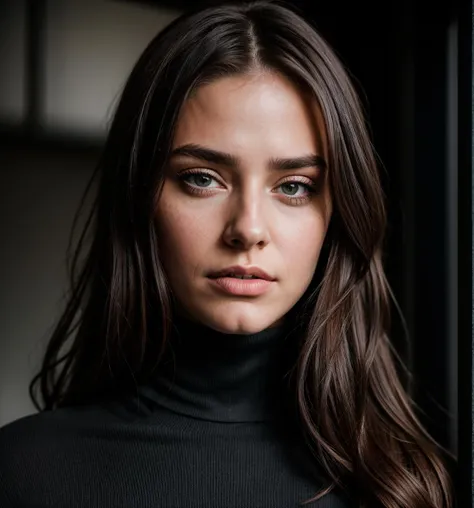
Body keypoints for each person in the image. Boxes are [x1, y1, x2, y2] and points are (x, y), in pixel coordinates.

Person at [0, 1, 455, 507]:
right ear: (140, 197)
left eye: (294, 186)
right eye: (202, 179)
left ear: (339, 213)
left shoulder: (399, 484)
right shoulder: (23, 472)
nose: (248, 229)